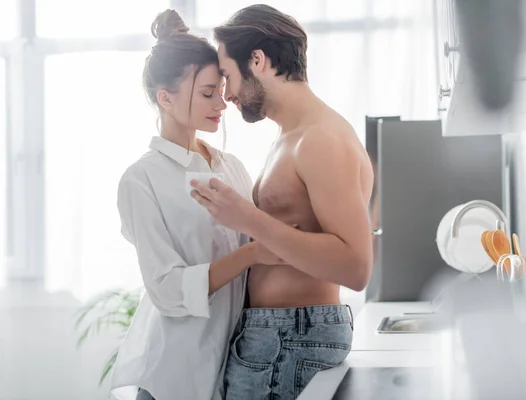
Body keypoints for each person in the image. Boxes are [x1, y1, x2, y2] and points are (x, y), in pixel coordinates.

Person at [190, 5, 374, 399]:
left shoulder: (320, 140)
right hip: (282, 338)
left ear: (257, 60)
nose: (226, 94)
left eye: (226, 75)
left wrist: (248, 219)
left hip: (290, 338)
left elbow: (356, 267)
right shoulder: (292, 138)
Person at [110, 10, 282, 400]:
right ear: (165, 98)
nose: (221, 104)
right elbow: (168, 290)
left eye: (221, 90)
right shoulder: (141, 180)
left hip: (233, 370)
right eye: (207, 93)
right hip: (173, 377)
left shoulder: (231, 166)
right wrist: (253, 253)